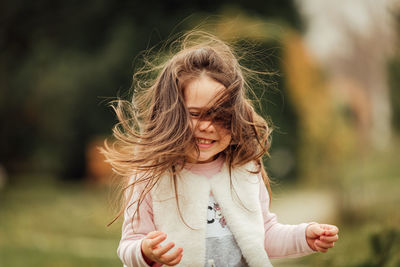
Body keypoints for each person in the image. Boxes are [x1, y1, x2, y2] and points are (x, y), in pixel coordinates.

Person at [102, 31, 339, 267]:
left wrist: (303, 236)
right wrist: (145, 251)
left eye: (220, 116)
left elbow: (262, 235)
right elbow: (128, 245)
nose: (207, 126)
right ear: (170, 114)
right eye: (195, 114)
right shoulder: (150, 176)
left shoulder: (245, 169)